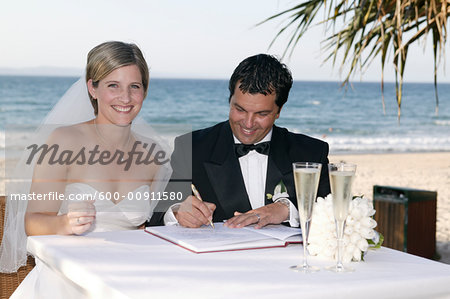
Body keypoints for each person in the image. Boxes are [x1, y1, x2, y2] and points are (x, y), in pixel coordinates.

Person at [0, 41, 171, 297]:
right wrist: (65, 223)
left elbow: (151, 226)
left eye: (134, 87)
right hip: (67, 279)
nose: (125, 98)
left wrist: (180, 213)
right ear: (92, 88)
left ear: (144, 92)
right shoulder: (64, 141)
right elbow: (32, 221)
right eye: (113, 85)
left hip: (128, 279)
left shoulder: (154, 153)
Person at [150, 54, 330, 228]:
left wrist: (288, 210)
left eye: (262, 114)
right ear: (230, 101)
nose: (248, 123)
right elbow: (156, 215)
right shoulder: (191, 147)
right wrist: (176, 212)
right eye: (240, 109)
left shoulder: (312, 152)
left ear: (279, 110)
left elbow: (334, 212)